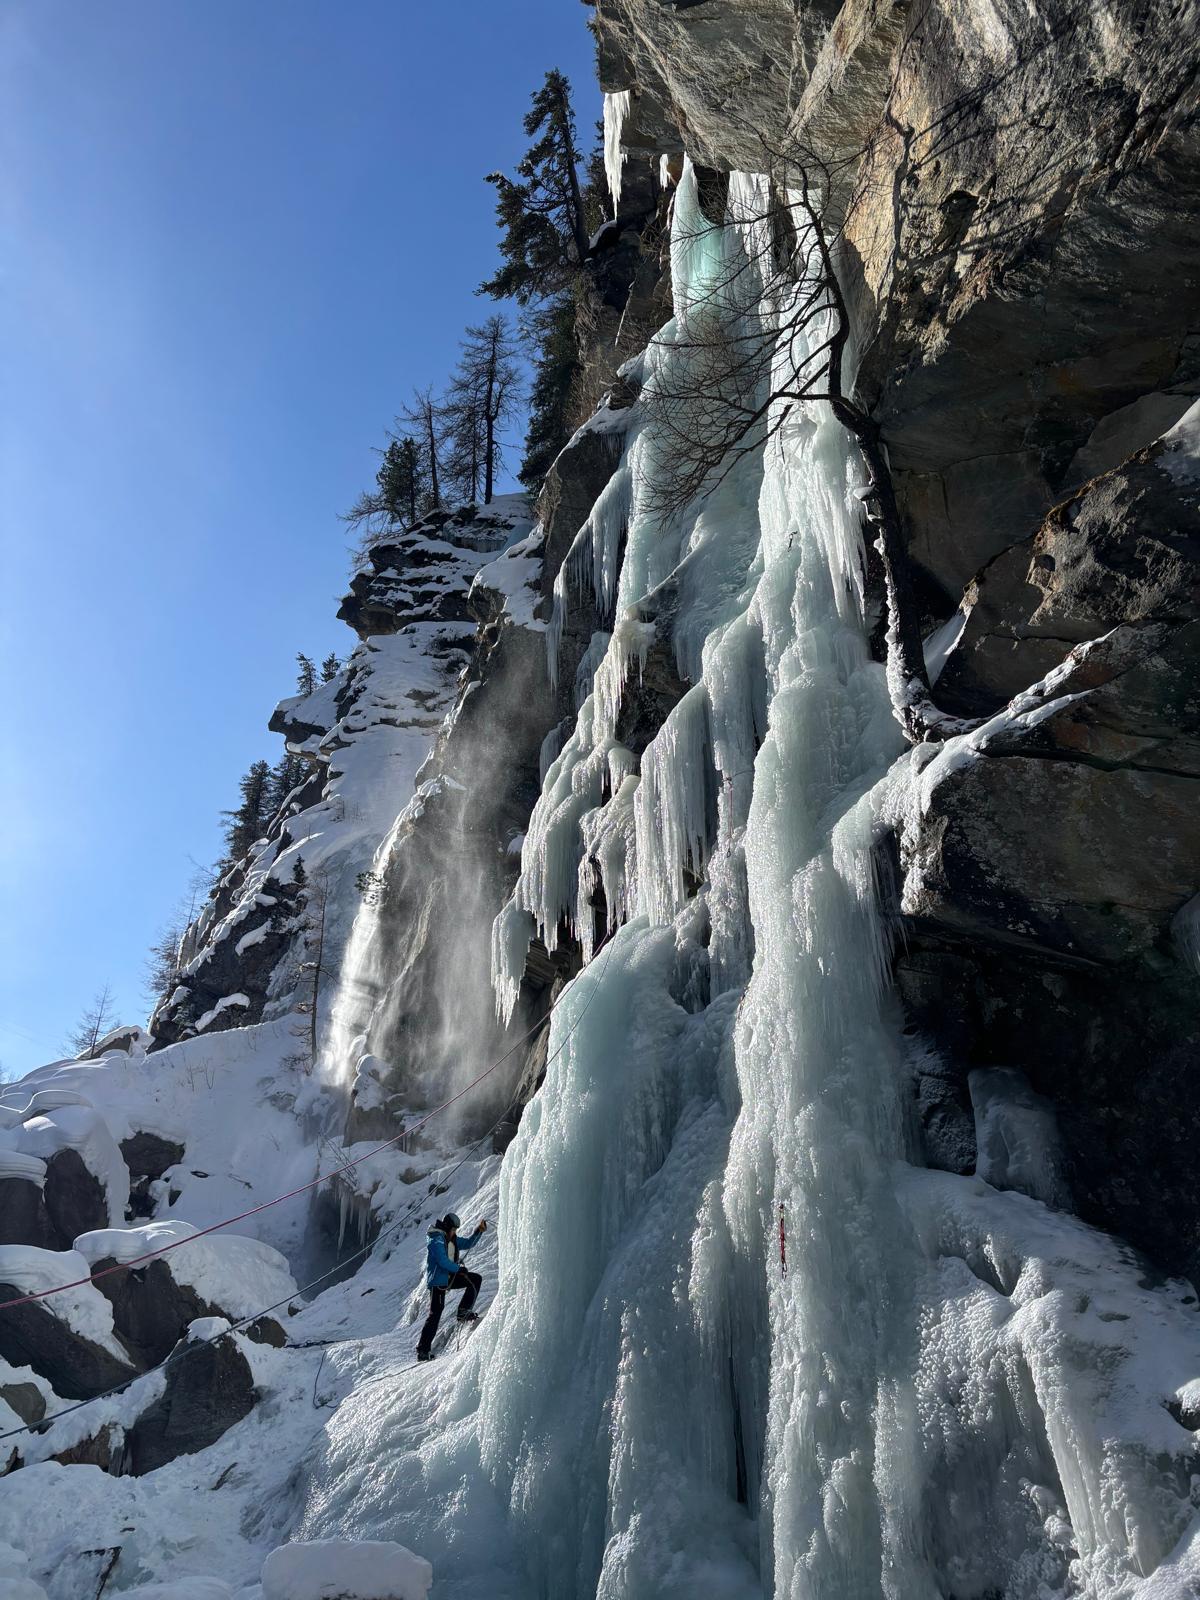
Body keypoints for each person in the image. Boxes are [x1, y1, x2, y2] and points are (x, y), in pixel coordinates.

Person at [416, 1211, 487, 1361]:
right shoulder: (436, 1239)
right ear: (447, 1227)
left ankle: (463, 1311)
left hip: (449, 1278)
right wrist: (458, 1269)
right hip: (438, 1281)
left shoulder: (451, 1238)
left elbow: (468, 1243)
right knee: (435, 1314)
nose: (455, 1232)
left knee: (475, 1279)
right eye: (453, 1229)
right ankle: (422, 1351)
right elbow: (442, 1260)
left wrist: (478, 1231)